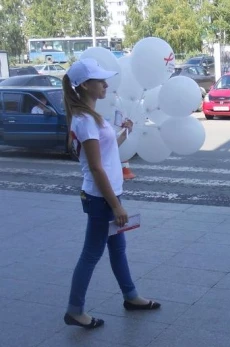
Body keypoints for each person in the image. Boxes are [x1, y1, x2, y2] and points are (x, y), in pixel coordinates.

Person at [62, 58, 160, 330]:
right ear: (84, 85)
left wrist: (124, 133)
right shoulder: (85, 121)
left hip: (107, 195)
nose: (106, 84)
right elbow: (95, 167)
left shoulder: (93, 117)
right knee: (91, 254)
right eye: (100, 81)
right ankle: (75, 310)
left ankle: (131, 296)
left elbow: (107, 154)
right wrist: (116, 206)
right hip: (100, 199)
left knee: (118, 250)